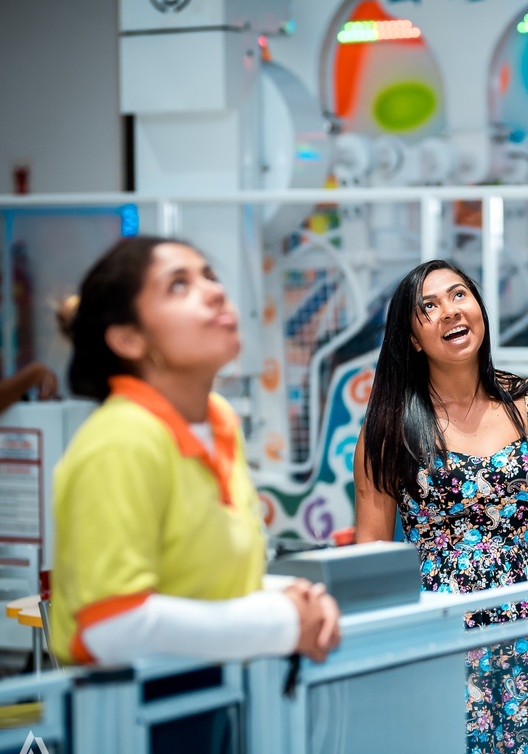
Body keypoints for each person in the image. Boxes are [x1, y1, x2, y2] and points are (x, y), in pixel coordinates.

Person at [354, 259, 528, 754]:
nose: (450, 311)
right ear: (411, 339)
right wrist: (380, 653)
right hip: (443, 633)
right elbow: (371, 552)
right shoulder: (388, 429)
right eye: (428, 306)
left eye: (459, 295)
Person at [50, 235, 340, 667]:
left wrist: (295, 599)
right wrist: (281, 623)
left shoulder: (218, 422)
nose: (215, 291)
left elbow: (201, 592)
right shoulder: (121, 441)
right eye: (179, 285)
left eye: (209, 275)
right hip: (138, 706)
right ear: (129, 339)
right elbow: (111, 627)